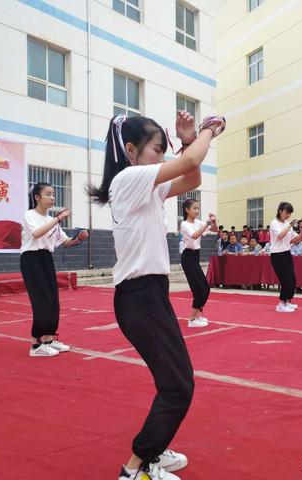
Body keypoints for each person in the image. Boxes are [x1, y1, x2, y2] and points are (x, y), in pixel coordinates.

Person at [87, 110, 225, 480]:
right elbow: (192, 160)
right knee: (178, 386)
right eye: (156, 150)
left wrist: (186, 140)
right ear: (131, 150)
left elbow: (191, 174)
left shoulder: (145, 184)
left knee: (175, 382)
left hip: (150, 295)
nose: (162, 159)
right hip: (139, 296)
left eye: (165, 151)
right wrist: (209, 130)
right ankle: (135, 467)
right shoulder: (129, 178)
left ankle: (154, 451)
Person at [21, 183, 89, 358]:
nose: (52, 198)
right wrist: (58, 219)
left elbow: (65, 242)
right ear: (37, 197)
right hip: (31, 259)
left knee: (52, 300)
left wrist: (79, 238)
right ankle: (36, 345)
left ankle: (49, 339)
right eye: (48, 194)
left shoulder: (51, 219)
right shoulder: (31, 215)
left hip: (45, 258)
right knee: (41, 300)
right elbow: (36, 234)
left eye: (53, 194)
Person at [180, 198, 218, 328]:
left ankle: (197, 316)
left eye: (198, 208)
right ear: (187, 210)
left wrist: (213, 222)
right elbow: (195, 235)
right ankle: (192, 319)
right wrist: (206, 224)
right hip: (187, 258)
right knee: (200, 289)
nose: (197, 210)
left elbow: (215, 230)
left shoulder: (198, 222)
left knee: (205, 288)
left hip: (195, 257)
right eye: (194, 208)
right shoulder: (184, 224)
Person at [270, 202, 302, 313]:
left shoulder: (287, 224)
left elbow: (293, 240)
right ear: (280, 211)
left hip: (287, 252)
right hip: (277, 254)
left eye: (290, 214)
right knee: (285, 279)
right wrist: (290, 226)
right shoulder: (274, 223)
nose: (288, 215)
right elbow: (280, 236)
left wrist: (301, 234)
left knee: (292, 278)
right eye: (287, 213)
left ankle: (287, 301)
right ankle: (281, 304)